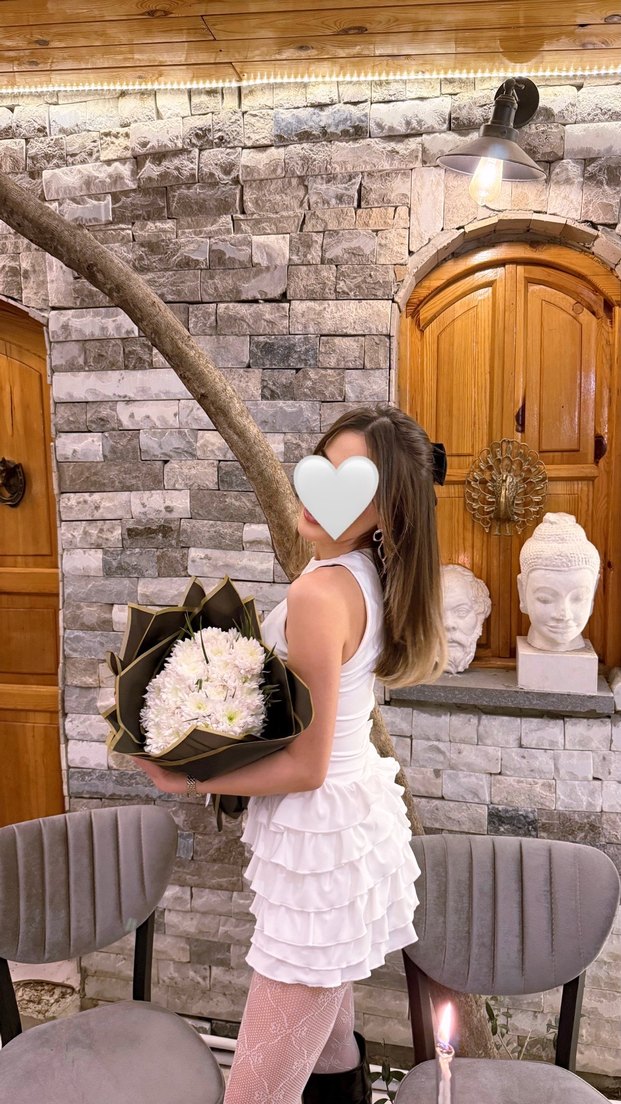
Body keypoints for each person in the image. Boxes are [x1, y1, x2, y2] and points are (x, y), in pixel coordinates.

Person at [136, 403, 448, 1104]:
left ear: (384, 514)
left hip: (320, 848)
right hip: (347, 830)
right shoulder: (362, 571)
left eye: (351, 483)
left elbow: (307, 766)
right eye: (322, 468)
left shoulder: (321, 592)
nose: (320, 492)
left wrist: (187, 778)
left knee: (255, 1095)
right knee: (330, 1049)